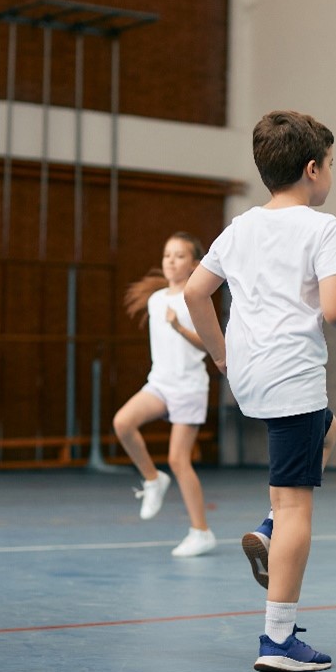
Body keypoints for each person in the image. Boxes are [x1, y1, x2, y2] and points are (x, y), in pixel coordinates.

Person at [184, 110, 336, 672]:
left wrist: (219, 353)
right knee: (295, 505)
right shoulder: (320, 226)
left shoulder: (239, 227)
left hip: (251, 376)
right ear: (312, 169)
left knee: (328, 430)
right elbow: (335, 312)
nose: (331, 175)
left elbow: (195, 293)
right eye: (330, 165)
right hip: (292, 377)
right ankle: (278, 640)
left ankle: (267, 526)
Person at [114, 233, 217, 557]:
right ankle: (152, 479)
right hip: (160, 383)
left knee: (178, 459)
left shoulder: (197, 297)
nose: (171, 261)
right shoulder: (156, 300)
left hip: (189, 386)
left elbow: (211, 344)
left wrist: (180, 329)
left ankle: (201, 532)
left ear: (195, 264)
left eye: (179, 255)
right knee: (123, 423)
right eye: (167, 255)